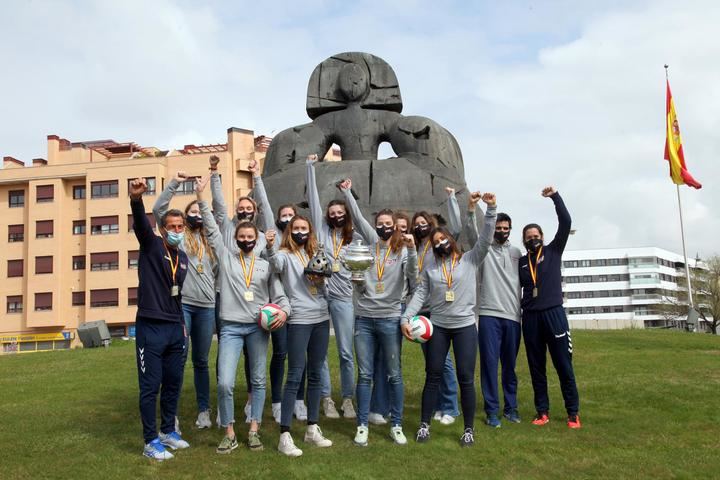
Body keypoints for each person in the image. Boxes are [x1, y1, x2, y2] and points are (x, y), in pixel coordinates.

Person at [196, 176, 291, 454]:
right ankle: (229, 431)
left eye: (251, 237)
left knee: (258, 380)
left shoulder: (264, 265)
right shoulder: (226, 259)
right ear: (236, 239)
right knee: (225, 381)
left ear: (257, 240)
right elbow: (212, 229)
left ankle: (253, 429)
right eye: (242, 237)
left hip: (258, 329)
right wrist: (202, 198)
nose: (247, 240)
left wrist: (284, 312)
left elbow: (281, 296)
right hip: (230, 328)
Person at [403, 191, 497, 447]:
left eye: (443, 239)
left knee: (465, 378)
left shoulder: (470, 259)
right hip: (439, 328)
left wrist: (490, 210)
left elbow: (486, 240)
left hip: (465, 327)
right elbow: (420, 293)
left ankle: (468, 429)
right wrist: (406, 317)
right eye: (436, 242)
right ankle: (424, 425)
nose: (440, 243)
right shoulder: (431, 268)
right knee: (432, 375)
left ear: (450, 240)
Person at [340, 179, 418, 447]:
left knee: (394, 374)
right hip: (364, 319)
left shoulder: (402, 250)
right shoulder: (369, 246)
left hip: (390, 318)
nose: (384, 227)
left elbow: (413, 279)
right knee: (365, 375)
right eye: (381, 223)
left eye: (389, 224)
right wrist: (348, 192)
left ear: (395, 227)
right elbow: (358, 218)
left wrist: (412, 249)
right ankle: (362, 424)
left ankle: (396, 424)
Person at [129, 177, 191, 461]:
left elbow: (176, 295)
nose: (177, 231)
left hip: (174, 329)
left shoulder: (184, 257)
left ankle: (168, 430)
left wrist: (183, 327)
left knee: (173, 383)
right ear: (163, 229)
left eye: (180, 227)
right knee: (150, 386)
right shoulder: (152, 246)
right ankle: (150, 441)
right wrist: (136, 199)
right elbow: (141, 225)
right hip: (150, 327)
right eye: (172, 227)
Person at [152, 171, 217, 431]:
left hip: (208, 307)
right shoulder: (178, 239)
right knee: (178, 359)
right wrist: (176, 183)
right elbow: (159, 210)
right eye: (192, 213)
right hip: (184, 306)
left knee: (201, 361)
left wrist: (203, 197)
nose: (196, 216)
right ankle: (172, 416)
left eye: (200, 211)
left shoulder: (212, 241)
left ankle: (204, 410)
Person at [266, 216, 334, 457]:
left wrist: (322, 280)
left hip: (321, 319)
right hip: (298, 320)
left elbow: (325, 289)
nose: (300, 232)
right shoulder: (284, 254)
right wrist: (269, 245)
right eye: (296, 228)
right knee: (295, 375)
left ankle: (312, 428)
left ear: (310, 231)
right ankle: (285, 435)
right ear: (289, 231)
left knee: (315, 374)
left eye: (304, 228)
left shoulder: (315, 253)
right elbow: (273, 265)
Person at [520, 186, 581, 429]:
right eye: (528, 236)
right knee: (537, 368)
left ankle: (573, 413)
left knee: (563, 365)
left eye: (536, 235)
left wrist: (555, 197)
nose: (532, 238)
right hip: (531, 318)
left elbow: (565, 221)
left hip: (554, 314)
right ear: (524, 240)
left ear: (542, 237)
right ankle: (542, 411)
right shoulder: (522, 262)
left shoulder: (554, 250)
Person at [306, 154, 361, 419]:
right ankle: (327, 398)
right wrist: (310, 168)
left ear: (345, 215)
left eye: (340, 213)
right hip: (319, 295)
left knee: (345, 351)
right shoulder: (322, 230)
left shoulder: (354, 237)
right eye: (332, 213)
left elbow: (360, 223)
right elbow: (315, 202)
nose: (336, 216)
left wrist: (348, 194)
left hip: (343, 298)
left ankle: (348, 399)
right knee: (320, 352)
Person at [465, 196, 523, 428]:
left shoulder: (517, 252)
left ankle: (511, 408)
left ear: (510, 229)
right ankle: (492, 412)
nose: (501, 231)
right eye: (498, 228)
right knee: (489, 366)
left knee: (509, 366)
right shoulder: (484, 250)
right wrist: (471, 210)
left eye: (505, 228)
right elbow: (471, 233)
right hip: (489, 315)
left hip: (513, 317)